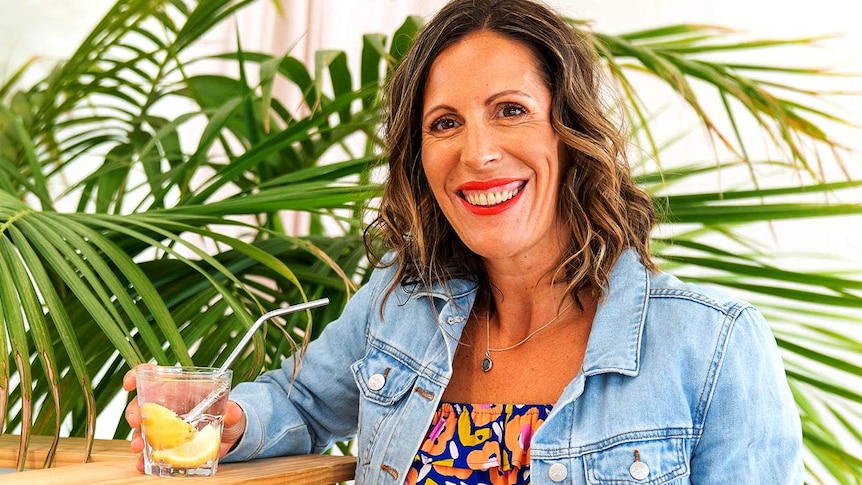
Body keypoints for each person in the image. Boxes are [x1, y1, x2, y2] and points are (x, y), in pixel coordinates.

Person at [124, 0, 804, 483]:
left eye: (510, 110)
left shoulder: (714, 345)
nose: (477, 153)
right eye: (444, 123)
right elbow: (304, 404)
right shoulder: (399, 304)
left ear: (570, 135)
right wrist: (225, 414)